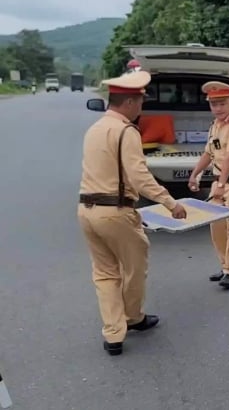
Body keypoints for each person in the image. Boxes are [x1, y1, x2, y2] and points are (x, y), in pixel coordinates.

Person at [77, 70, 187, 356]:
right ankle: (133, 316)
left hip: (87, 210)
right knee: (134, 268)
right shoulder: (126, 131)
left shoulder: (96, 128)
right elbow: (139, 177)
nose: (141, 107)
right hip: (115, 212)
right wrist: (171, 203)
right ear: (128, 103)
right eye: (140, 102)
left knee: (104, 273)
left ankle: (114, 334)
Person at [188, 81, 229, 290]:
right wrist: (195, 174)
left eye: (222, 104)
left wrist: (221, 184)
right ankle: (225, 264)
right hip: (219, 182)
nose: (218, 108)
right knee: (216, 226)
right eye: (214, 104)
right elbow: (209, 152)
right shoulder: (215, 125)